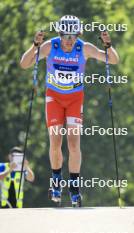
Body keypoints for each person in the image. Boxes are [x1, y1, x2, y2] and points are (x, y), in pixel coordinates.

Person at [20, 15, 119, 207]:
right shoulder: (51, 46)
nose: (69, 40)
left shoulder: (85, 48)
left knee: (74, 144)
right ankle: (56, 183)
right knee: (55, 142)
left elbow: (113, 60)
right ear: (60, 33)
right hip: (54, 99)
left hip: (75, 100)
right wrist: (34, 46)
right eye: (65, 35)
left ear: (78, 34)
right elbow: (25, 64)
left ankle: (74, 188)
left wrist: (109, 45)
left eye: (73, 36)